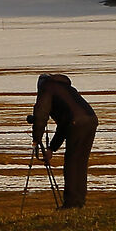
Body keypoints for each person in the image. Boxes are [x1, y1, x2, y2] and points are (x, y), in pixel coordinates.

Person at [29, 73, 98, 209]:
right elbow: (63, 125)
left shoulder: (46, 88)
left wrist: (36, 139)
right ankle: (79, 201)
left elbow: (41, 115)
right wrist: (52, 148)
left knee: (72, 163)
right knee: (80, 162)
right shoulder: (65, 88)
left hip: (76, 122)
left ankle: (71, 204)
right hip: (91, 120)